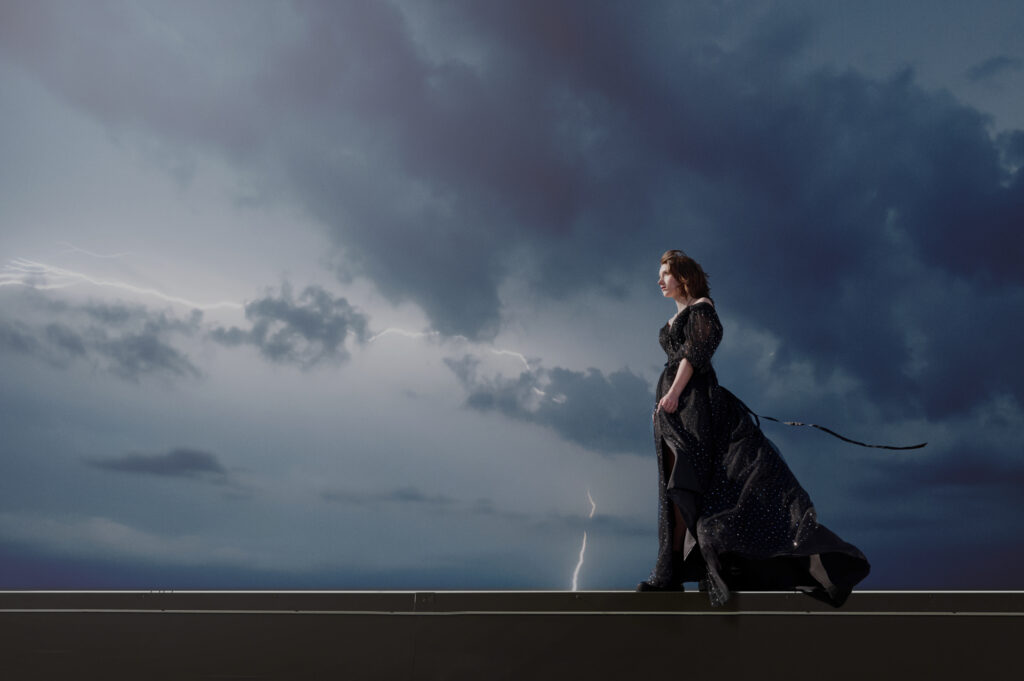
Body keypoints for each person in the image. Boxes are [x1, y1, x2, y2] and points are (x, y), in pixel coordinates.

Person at [637, 249, 870, 607]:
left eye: (665, 273)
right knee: (674, 490)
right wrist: (665, 404)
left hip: (695, 407)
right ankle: (670, 571)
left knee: (691, 485)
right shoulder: (673, 320)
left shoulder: (703, 308)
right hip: (672, 410)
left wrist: (671, 395)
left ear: (683, 275)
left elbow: (695, 356)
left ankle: (687, 572)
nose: (659, 280)